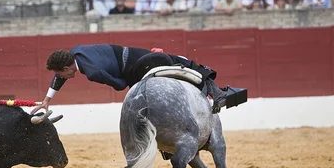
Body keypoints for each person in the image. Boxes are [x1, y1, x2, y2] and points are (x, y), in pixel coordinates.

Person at [32, 45, 235, 115]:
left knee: (178, 62)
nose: (60, 78)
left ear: (67, 67)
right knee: (180, 61)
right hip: (133, 56)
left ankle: (217, 95)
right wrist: (47, 100)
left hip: (134, 67)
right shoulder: (76, 51)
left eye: (60, 74)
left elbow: (119, 85)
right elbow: (60, 76)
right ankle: (218, 93)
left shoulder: (92, 72)